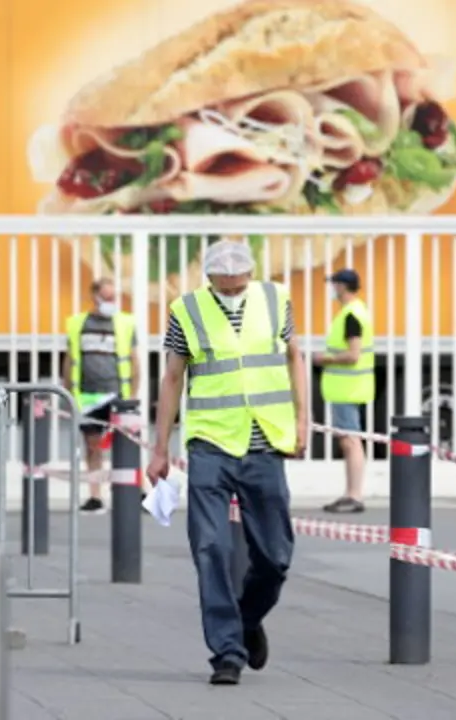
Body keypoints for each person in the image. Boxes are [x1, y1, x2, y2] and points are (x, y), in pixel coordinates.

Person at [146, 240, 309, 686]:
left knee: (275, 557)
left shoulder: (276, 299)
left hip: (265, 444)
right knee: (211, 548)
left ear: (252, 275)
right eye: (227, 284)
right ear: (211, 278)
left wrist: (302, 420)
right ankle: (227, 652)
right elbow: (173, 378)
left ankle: (246, 619)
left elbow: (294, 356)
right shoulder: (187, 310)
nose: (235, 290)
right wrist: (159, 448)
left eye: (242, 283)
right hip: (210, 445)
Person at [62, 277, 140, 513]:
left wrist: (132, 394)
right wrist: (67, 393)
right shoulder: (77, 324)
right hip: (87, 395)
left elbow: (134, 361)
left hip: (117, 393)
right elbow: (70, 360)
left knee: (127, 445)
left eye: (114, 297)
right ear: (94, 296)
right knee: (93, 445)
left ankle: (135, 492)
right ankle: (95, 496)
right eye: (107, 298)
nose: (112, 302)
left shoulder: (125, 323)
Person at [315, 269, 374, 514]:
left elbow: (353, 354)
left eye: (334, 284)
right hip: (348, 389)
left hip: (347, 389)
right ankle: (350, 493)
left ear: (342, 286)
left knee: (351, 442)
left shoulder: (351, 315)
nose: (332, 289)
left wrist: (325, 359)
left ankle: (354, 495)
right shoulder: (356, 312)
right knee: (349, 441)